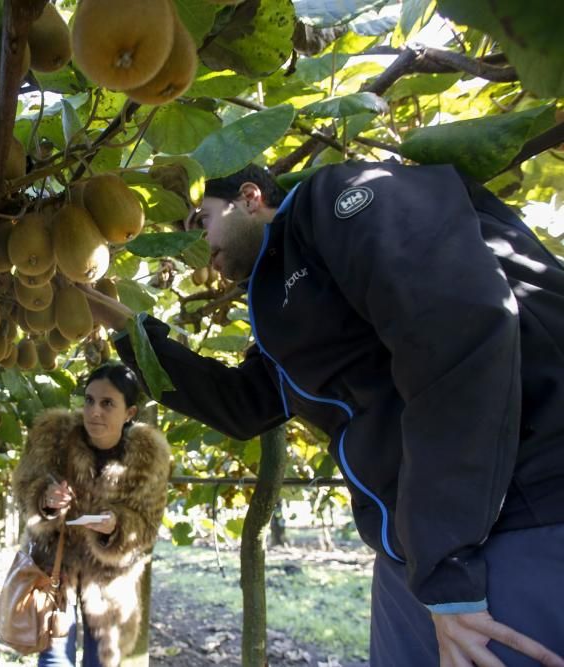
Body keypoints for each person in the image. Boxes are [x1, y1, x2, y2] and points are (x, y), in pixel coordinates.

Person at [81, 161, 564, 666]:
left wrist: (447, 563)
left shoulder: (337, 197)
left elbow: (455, 327)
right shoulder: (280, 307)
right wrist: (114, 319)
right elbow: (241, 404)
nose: (196, 251)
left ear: (249, 197)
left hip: (514, 515)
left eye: (199, 221)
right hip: (417, 552)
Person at [12, 363, 171, 667]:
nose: (94, 411)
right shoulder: (53, 437)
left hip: (111, 581)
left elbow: (148, 527)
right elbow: (23, 490)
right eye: (89, 400)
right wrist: (45, 500)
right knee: (55, 659)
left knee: (102, 661)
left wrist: (116, 526)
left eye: (107, 403)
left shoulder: (148, 456)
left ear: (130, 413)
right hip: (54, 571)